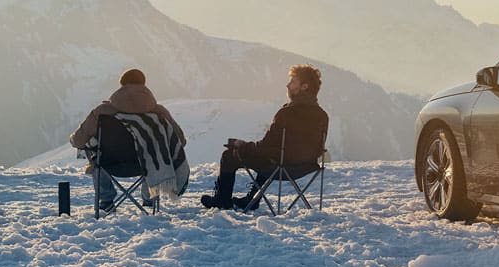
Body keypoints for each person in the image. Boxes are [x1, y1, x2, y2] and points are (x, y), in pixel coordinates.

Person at [201, 64, 329, 209]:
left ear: (304, 86)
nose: (288, 85)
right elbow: (318, 148)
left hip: (280, 166)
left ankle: (222, 201)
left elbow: (265, 146)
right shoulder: (322, 116)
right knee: (273, 154)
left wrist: (242, 145)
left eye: (293, 82)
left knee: (229, 156)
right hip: (306, 167)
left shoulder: (286, 113)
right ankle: (253, 199)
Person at [70, 68, 186, 211]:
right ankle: (149, 198)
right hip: (145, 166)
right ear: (144, 86)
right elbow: (180, 141)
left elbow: (78, 141)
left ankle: (106, 200)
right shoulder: (159, 113)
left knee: (95, 155)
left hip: (109, 163)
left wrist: (76, 141)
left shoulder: (103, 111)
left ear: (122, 86)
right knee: (151, 154)